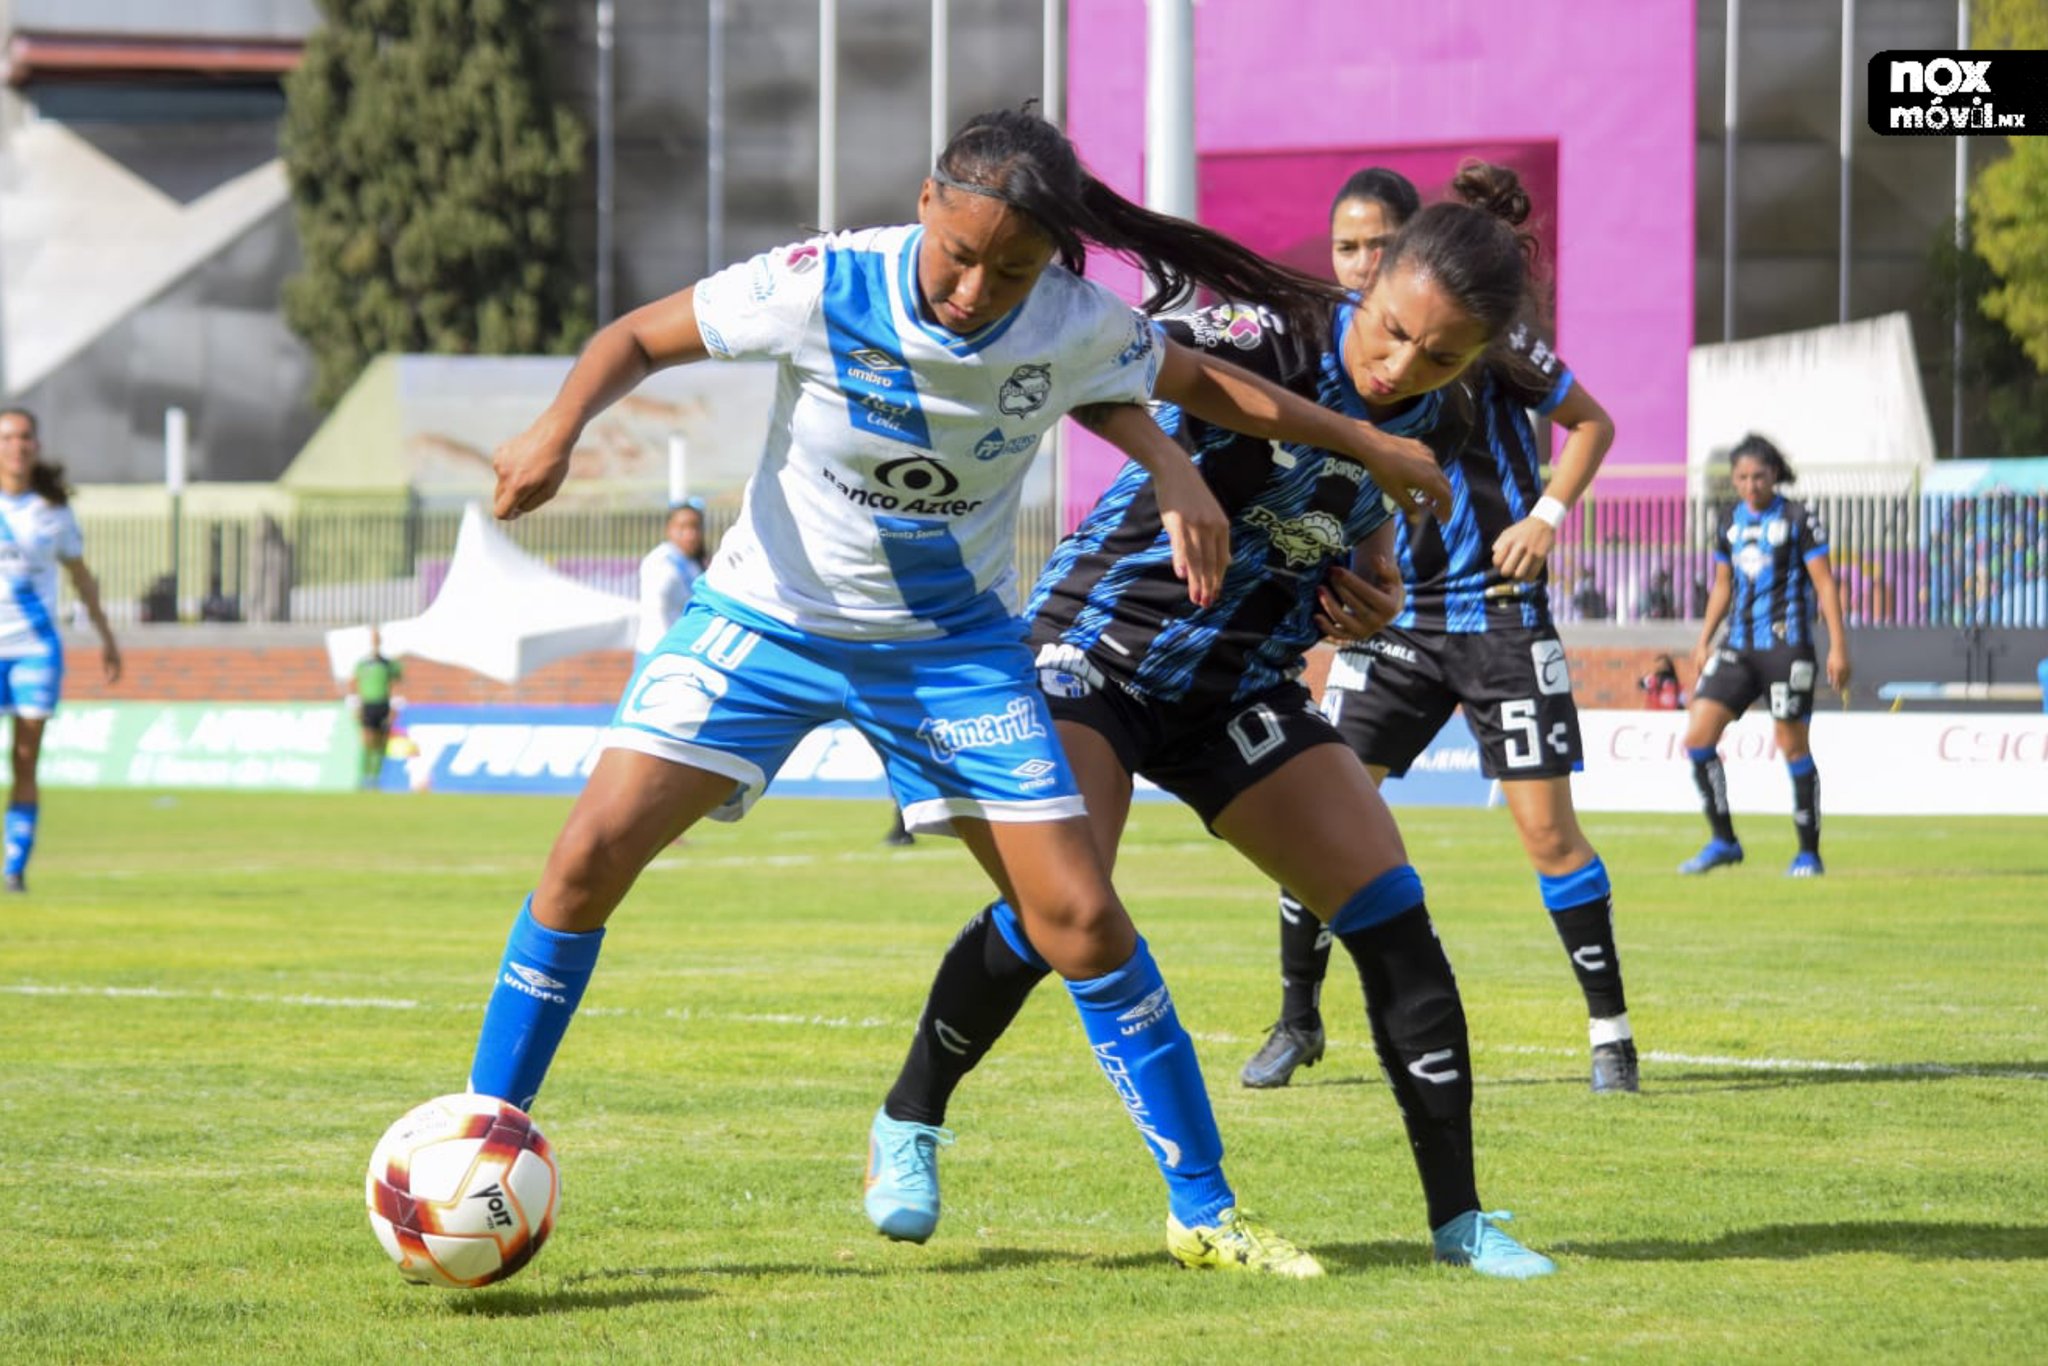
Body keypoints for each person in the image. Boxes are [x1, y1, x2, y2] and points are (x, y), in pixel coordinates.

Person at [464, 107, 1449, 1278]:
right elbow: (635, 336)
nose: (979, 287)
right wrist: (555, 428)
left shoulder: (1071, 321)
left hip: (951, 653)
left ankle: (1203, 1209)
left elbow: (1207, 386)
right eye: (961, 254)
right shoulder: (817, 281)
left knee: (1076, 918)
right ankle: (480, 1141)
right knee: (583, 860)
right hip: (765, 621)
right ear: (924, 204)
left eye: (1013, 268)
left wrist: (1350, 453)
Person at [861, 162, 1568, 1280]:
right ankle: (909, 1119)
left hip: (1239, 688)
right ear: (1368, 280)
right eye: (1388, 335)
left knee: (1391, 913)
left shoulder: (1454, 408)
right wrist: (1171, 470)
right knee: (1066, 905)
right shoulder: (1261, 329)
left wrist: (1373, 579)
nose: (1398, 370)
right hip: (1094, 656)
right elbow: (1090, 367)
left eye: (1437, 358)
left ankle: (1461, 1222)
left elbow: (1368, 529)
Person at [1241, 166, 1635, 1098]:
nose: (1362, 263)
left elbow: (1590, 421)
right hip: (1392, 627)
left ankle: (1611, 1034)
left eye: (1379, 244)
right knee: (1315, 822)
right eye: (1346, 248)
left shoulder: (1477, 332)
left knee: (1547, 835)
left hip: (1497, 615)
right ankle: (1298, 1020)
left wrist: (1544, 515)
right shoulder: (1332, 349)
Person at [1679, 434, 1850, 877]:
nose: (1751, 484)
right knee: (1697, 738)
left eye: (1758, 475)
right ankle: (1724, 842)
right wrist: (1704, 640)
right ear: (1732, 480)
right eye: (1742, 477)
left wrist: (1837, 645)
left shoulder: (1798, 518)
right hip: (1737, 647)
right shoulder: (1728, 521)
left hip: (1786, 648)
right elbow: (1722, 585)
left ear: (1774, 474)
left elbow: (1825, 583)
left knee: (1792, 746)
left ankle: (1808, 853)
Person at [0, 407, 121, 892]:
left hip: (34, 649)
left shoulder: (52, 511)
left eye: (25, 436)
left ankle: (14, 867)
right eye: (7, 437)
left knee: (25, 758)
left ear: (37, 445)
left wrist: (107, 635)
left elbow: (80, 576)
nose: (17, 445)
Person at [636, 500, 706, 660]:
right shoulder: (660, 561)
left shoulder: (692, 563)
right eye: (682, 527)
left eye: (695, 527)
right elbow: (659, 603)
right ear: (669, 529)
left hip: (680, 651)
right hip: (658, 652)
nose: (690, 534)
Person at [349, 628, 403, 790]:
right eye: (372, 638)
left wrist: (395, 705)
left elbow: (395, 685)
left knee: (381, 743)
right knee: (367, 741)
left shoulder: (389, 664)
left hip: (383, 705)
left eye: (377, 638)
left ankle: (376, 778)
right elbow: (354, 684)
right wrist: (355, 705)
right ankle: (363, 777)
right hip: (368, 705)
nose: (375, 641)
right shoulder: (361, 664)